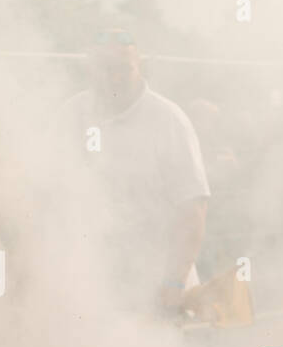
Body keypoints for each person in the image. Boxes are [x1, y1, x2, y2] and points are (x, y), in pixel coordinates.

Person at [53, 29, 210, 315]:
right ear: (91, 70)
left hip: (161, 286)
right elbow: (52, 196)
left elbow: (193, 208)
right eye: (105, 68)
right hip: (93, 284)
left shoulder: (169, 119)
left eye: (123, 69)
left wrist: (174, 282)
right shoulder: (71, 114)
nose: (113, 77)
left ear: (140, 67)